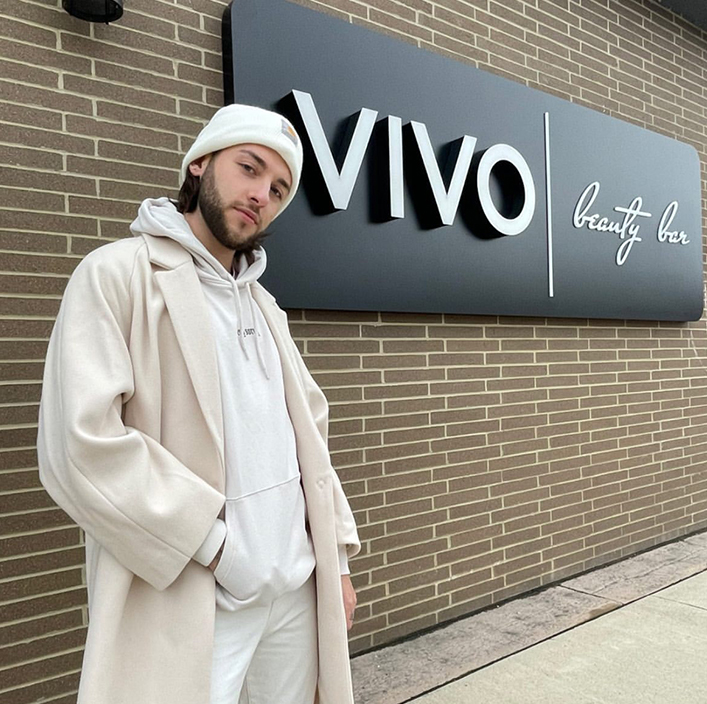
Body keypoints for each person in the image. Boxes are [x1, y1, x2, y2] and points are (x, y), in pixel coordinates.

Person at [37, 104, 360, 704]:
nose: (260, 193)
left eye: (278, 188)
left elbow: (310, 439)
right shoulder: (117, 275)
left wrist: (335, 560)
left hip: (294, 590)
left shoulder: (266, 308)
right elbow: (80, 446)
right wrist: (215, 549)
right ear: (201, 162)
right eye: (249, 167)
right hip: (196, 588)